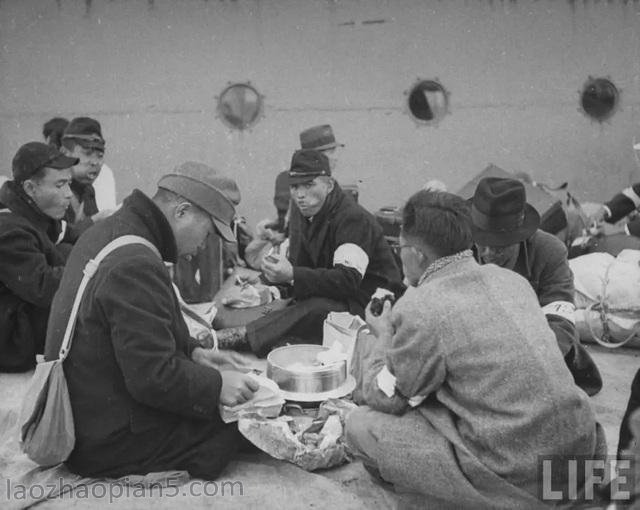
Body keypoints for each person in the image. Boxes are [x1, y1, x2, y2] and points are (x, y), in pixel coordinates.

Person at [345, 189, 606, 508]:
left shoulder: (420, 304)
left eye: (401, 248)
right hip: (580, 450)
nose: (401, 256)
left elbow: (390, 397)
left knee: (359, 425)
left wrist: (383, 337)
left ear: (418, 253)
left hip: (520, 471)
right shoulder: (512, 281)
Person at [44, 162, 259, 479]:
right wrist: (218, 385)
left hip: (85, 411)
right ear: (182, 211)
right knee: (237, 427)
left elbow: (133, 331)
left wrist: (194, 353)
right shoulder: (136, 262)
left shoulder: (114, 231)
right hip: (103, 441)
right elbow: (152, 378)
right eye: (209, 231)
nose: (206, 243)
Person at [216, 149, 402, 356]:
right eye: (295, 187)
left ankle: (240, 337)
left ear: (329, 185)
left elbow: (347, 280)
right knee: (300, 304)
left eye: (309, 184)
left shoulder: (352, 218)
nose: (300, 194)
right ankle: (262, 337)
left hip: (371, 305)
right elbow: (302, 269)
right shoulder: (306, 213)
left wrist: (292, 275)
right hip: (339, 297)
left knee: (316, 308)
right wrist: (264, 289)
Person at [469, 177, 602, 396]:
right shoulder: (460, 246)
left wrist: (516, 371)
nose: (488, 255)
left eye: (499, 248)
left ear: (520, 236)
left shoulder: (550, 252)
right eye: (482, 243)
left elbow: (560, 325)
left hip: (533, 352)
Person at [0, 142, 78, 372]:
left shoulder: (33, 212)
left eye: (70, 184)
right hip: (10, 338)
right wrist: (94, 271)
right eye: (60, 185)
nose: (68, 194)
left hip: (20, 314)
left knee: (68, 252)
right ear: (30, 188)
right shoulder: (9, 230)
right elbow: (43, 288)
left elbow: (75, 236)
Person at [60, 117, 116, 236]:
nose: (95, 162)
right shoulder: (53, 188)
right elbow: (57, 238)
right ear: (65, 153)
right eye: (87, 154)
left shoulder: (87, 190)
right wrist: (94, 221)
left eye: (100, 156)